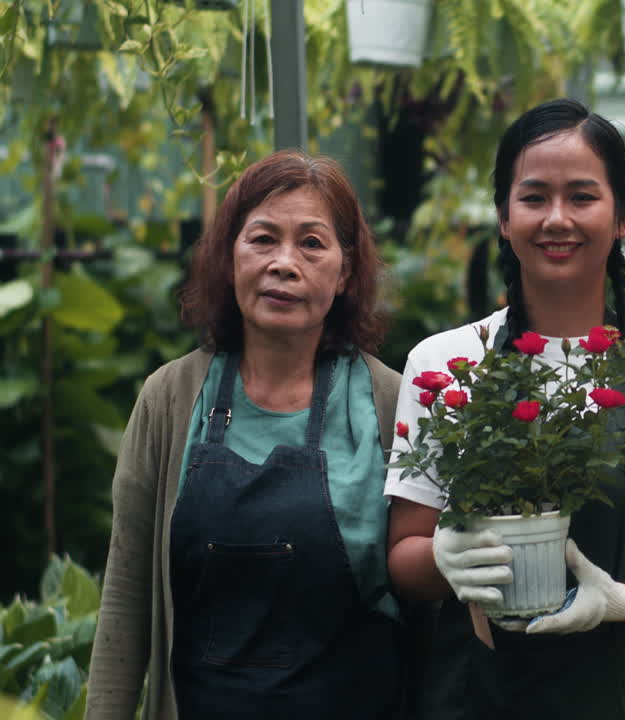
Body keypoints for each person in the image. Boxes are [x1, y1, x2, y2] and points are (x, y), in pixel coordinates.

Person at [385, 98, 625, 720]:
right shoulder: (444, 365)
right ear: (502, 216)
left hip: (616, 698)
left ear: (623, 217)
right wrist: (443, 557)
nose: (556, 220)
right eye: (533, 197)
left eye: (582, 197)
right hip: (470, 699)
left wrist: (617, 601)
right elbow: (405, 559)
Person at [86, 150, 406, 720]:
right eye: (262, 239)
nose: (284, 263)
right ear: (229, 256)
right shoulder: (170, 399)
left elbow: (427, 609)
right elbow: (127, 591)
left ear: (347, 270)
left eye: (311, 243)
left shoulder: (388, 403)